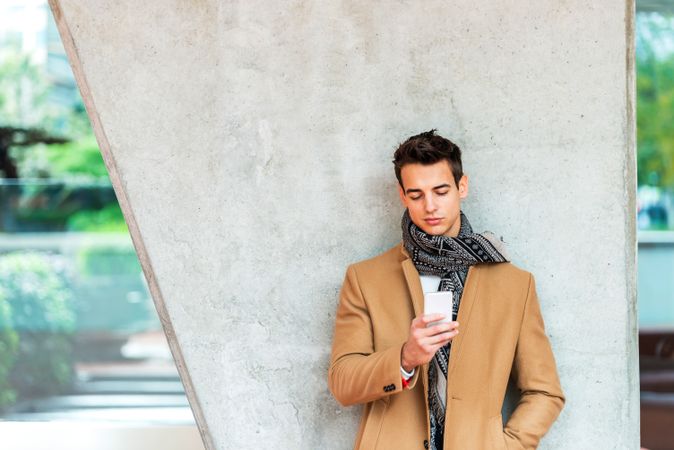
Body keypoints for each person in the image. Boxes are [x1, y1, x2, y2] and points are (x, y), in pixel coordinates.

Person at [327, 130, 565, 450]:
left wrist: (504, 446)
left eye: (441, 191)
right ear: (402, 196)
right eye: (416, 195)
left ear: (461, 186)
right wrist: (405, 357)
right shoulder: (365, 278)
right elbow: (342, 383)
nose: (430, 206)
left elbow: (545, 392)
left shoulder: (514, 285)